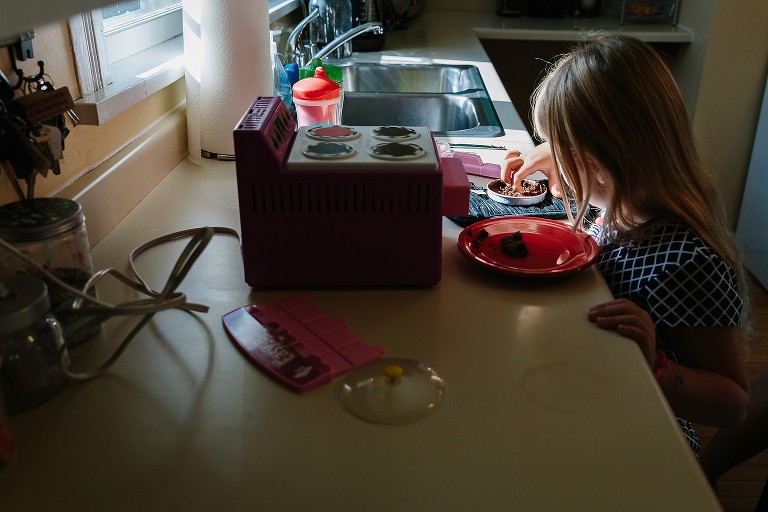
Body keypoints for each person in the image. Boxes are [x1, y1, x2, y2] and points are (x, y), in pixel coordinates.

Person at [500, 34, 751, 455]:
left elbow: (733, 403)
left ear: (598, 162)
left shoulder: (687, 263)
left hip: (644, 437)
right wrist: (549, 157)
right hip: (594, 387)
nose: (555, 159)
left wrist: (655, 364)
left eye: (563, 150)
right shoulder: (623, 205)